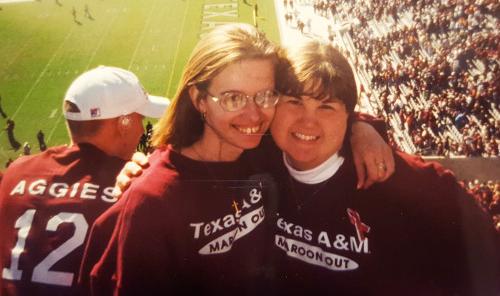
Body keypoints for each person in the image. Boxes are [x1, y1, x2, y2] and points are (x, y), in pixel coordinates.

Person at [80, 24, 393, 295]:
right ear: (199, 99)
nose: (253, 114)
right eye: (233, 98)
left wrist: (361, 128)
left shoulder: (261, 151)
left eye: (265, 95)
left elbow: (324, 109)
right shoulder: (153, 199)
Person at [268, 40, 500, 295]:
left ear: (348, 114)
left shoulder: (404, 180)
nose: (308, 121)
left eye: (326, 106)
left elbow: (485, 256)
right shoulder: (256, 160)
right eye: (294, 102)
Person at [0, 66, 169, 296]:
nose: (141, 130)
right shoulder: (133, 191)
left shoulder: (16, 172)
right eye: (139, 119)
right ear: (122, 124)